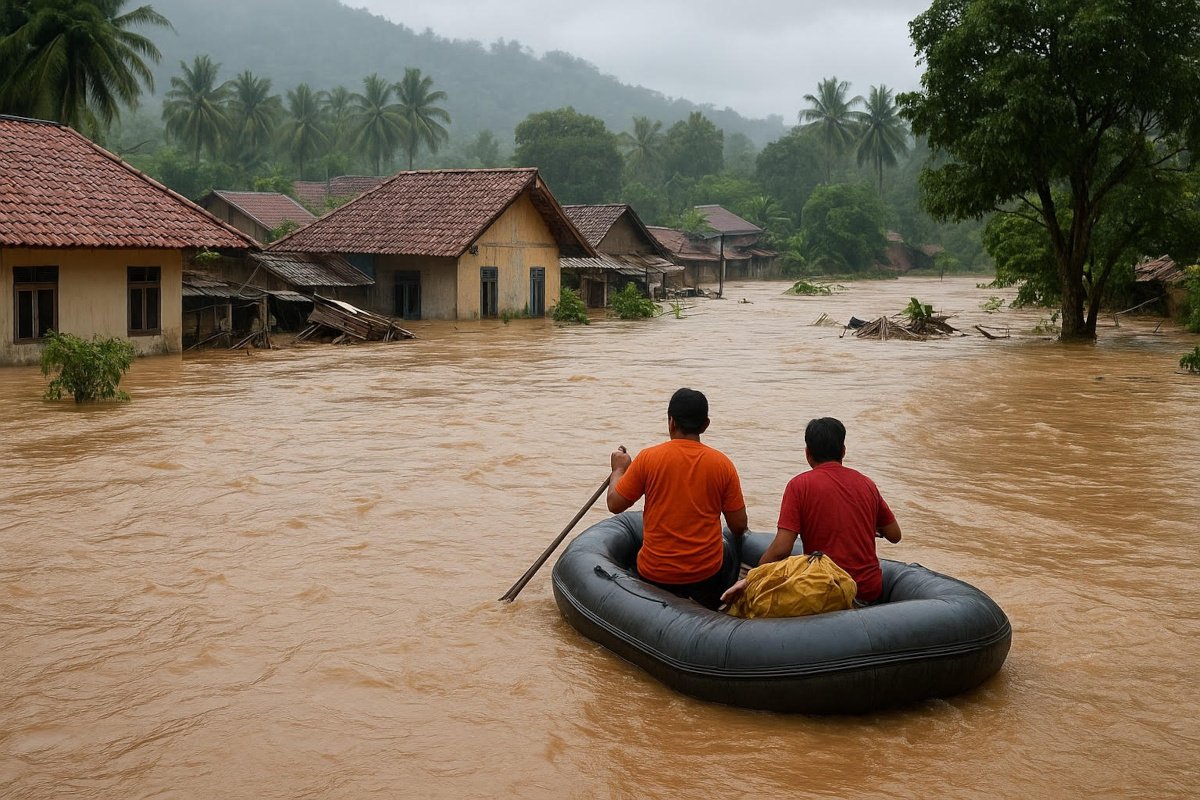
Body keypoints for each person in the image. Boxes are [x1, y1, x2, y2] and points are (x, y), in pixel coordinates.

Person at [721, 417, 901, 607]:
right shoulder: (867, 484)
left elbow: (781, 549)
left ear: (807, 453)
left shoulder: (799, 486)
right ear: (843, 451)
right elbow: (895, 535)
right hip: (870, 591)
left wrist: (751, 579)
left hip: (827, 590)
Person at [607, 388, 748, 610]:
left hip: (654, 573)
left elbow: (614, 504)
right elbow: (739, 526)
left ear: (671, 422)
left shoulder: (648, 459)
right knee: (730, 547)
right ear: (706, 425)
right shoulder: (722, 464)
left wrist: (618, 469)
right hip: (706, 576)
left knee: (632, 559)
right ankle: (718, 608)